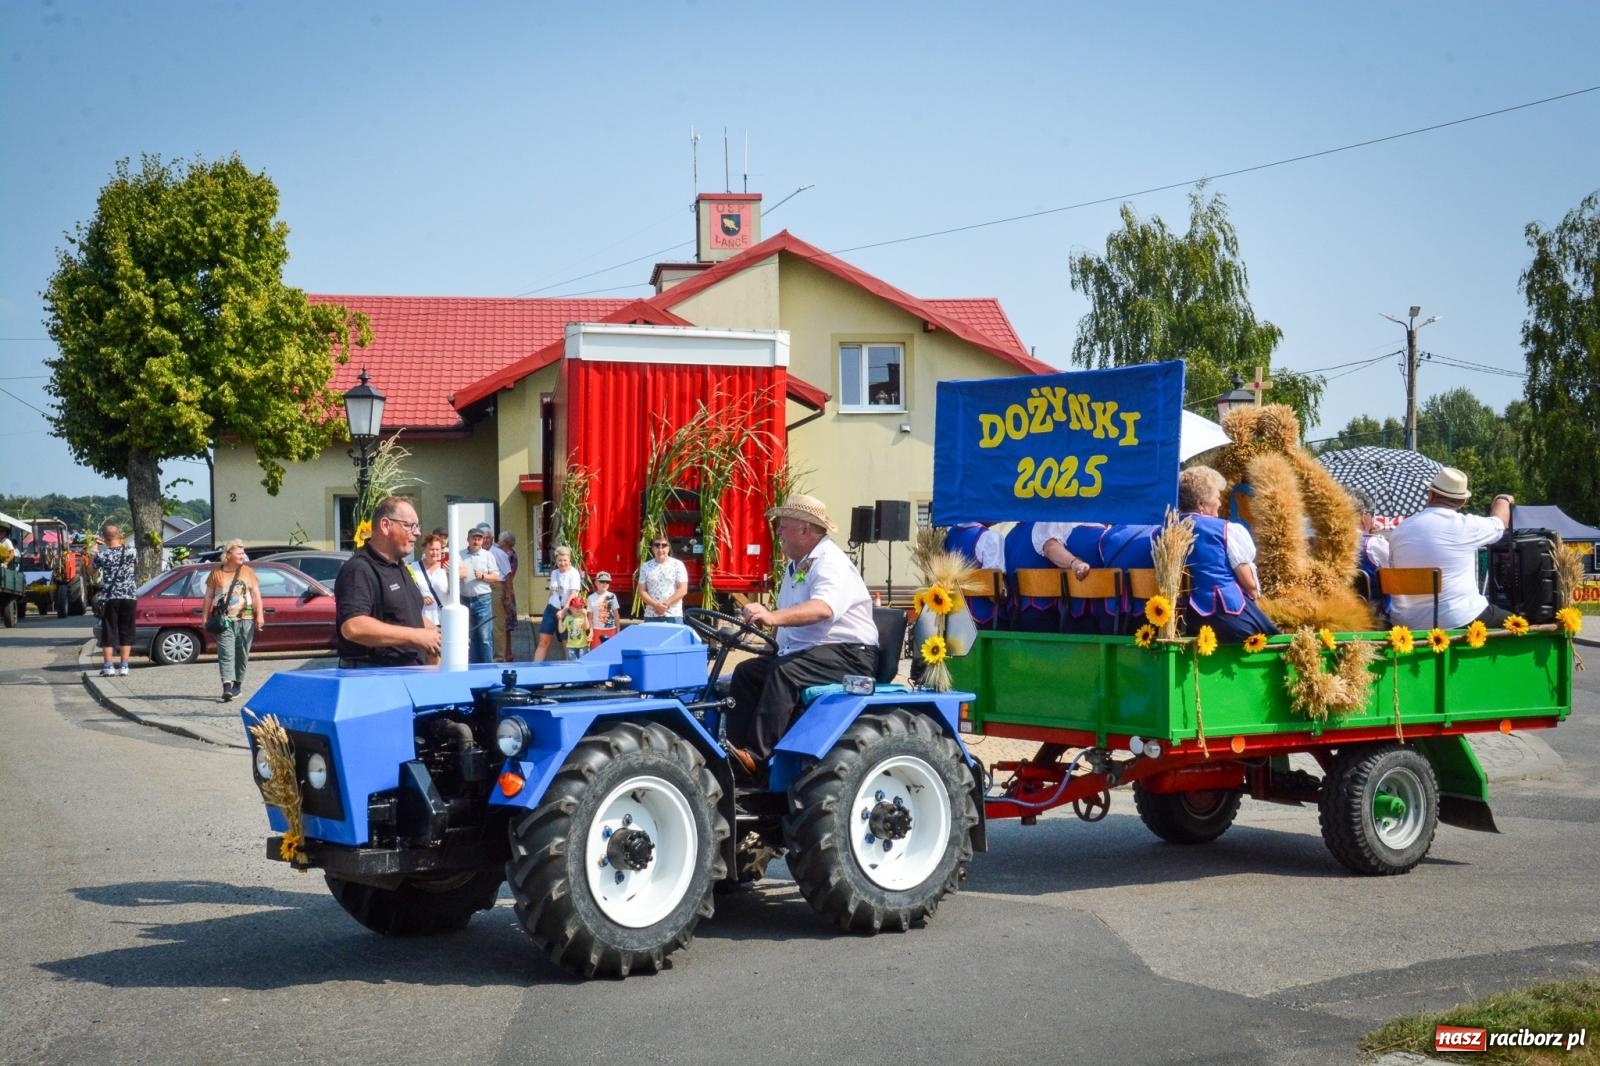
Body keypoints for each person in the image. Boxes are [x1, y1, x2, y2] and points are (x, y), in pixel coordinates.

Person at [725, 494, 878, 777]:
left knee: (785, 673)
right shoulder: (797, 565)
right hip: (813, 650)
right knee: (747, 673)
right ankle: (736, 753)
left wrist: (772, 616)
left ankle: (758, 756)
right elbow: (791, 615)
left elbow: (822, 608)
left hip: (848, 653)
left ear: (805, 529)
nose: (778, 531)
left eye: (784, 525)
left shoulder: (830, 562)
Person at [1386, 468, 1512, 630]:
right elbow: (1501, 522)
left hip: (1406, 624)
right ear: (1463, 502)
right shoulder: (1466, 526)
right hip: (1458, 619)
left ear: (1430, 494)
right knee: (1519, 624)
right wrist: (1503, 499)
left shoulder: (1400, 530)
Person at [334, 496, 440, 668]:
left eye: (417, 526)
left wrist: (439, 636)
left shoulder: (400, 567)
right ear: (385, 525)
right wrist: (416, 636)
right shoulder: (359, 569)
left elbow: (406, 616)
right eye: (409, 525)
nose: (417, 532)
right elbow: (353, 626)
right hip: (374, 678)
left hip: (408, 675)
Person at [1178, 466, 1279, 643]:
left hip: (1184, 620)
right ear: (1202, 504)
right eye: (1217, 497)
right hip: (1226, 616)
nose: (1220, 502)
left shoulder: (1165, 530)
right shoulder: (1225, 530)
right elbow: (1250, 585)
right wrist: (1256, 599)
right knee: (1275, 636)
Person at [205, 539, 264, 702]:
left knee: (242, 653)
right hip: (224, 620)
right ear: (229, 554)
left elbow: (256, 596)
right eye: (239, 553)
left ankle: (237, 684)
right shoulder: (216, 573)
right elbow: (209, 596)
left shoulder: (248, 572)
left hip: (246, 619)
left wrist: (260, 615)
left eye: (243, 553)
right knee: (226, 653)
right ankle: (227, 687)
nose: (243, 556)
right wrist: (204, 617)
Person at [89, 523, 139, 677]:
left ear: (104, 538)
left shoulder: (103, 555)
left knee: (109, 631)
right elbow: (135, 567)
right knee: (126, 630)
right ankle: (124, 666)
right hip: (129, 596)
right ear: (119, 535)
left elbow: (91, 572)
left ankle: (108, 666)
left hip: (110, 597)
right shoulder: (131, 551)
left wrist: (92, 555)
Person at [456, 523, 501, 664]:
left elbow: (496, 577)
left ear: (482, 541)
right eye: (473, 539)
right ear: (468, 539)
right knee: (469, 635)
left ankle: (487, 667)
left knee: (484, 636)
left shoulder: (488, 556)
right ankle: (473, 667)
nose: (476, 542)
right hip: (464, 600)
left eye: (479, 539)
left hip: (482, 600)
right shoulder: (459, 555)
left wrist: (483, 576)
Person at [535, 545, 583, 662]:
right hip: (552, 608)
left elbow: (573, 594)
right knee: (543, 640)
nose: (562, 563)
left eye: (565, 560)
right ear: (556, 560)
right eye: (560, 560)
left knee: (567, 642)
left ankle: (569, 670)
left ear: (569, 559)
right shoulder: (554, 573)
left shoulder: (574, 573)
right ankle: (535, 668)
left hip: (567, 610)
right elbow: (553, 592)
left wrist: (564, 610)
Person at [637, 535, 689, 622]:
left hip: (673, 615)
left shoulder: (678, 565)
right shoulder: (645, 566)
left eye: (664, 545)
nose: (660, 549)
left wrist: (665, 605)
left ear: (668, 548)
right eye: (657, 545)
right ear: (653, 548)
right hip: (651, 615)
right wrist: (655, 605)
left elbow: (683, 589)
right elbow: (642, 591)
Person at [412, 532, 449, 627]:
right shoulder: (413, 567)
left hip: (443, 619)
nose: (435, 553)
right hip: (422, 619)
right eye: (431, 549)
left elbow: (455, 592)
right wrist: (419, 598)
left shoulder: (446, 567)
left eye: (438, 549)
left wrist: (452, 573)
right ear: (424, 549)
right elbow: (406, 592)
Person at [494, 531, 519, 662]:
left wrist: (507, 595)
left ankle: (506, 653)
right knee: (505, 624)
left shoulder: (508, 555)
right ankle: (507, 653)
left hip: (505, 590)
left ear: (504, 542)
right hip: (507, 591)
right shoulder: (510, 554)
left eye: (499, 540)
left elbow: (508, 575)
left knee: (504, 624)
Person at [587, 570, 621, 647]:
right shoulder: (591, 598)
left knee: (611, 650)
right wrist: (591, 631)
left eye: (607, 582)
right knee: (596, 652)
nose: (605, 584)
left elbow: (616, 615)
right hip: (597, 630)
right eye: (602, 581)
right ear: (596, 582)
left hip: (611, 629)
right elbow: (590, 617)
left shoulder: (612, 596)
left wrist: (618, 630)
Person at [560, 594, 591, 659]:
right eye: (575, 607)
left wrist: (585, 616)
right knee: (572, 663)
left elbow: (586, 627)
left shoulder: (583, 617)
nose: (578, 609)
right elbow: (561, 630)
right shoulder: (568, 618)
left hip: (583, 645)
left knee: (583, 662)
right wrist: (559, 619)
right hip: (571, 646)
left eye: (580, 607)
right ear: (570, 608)